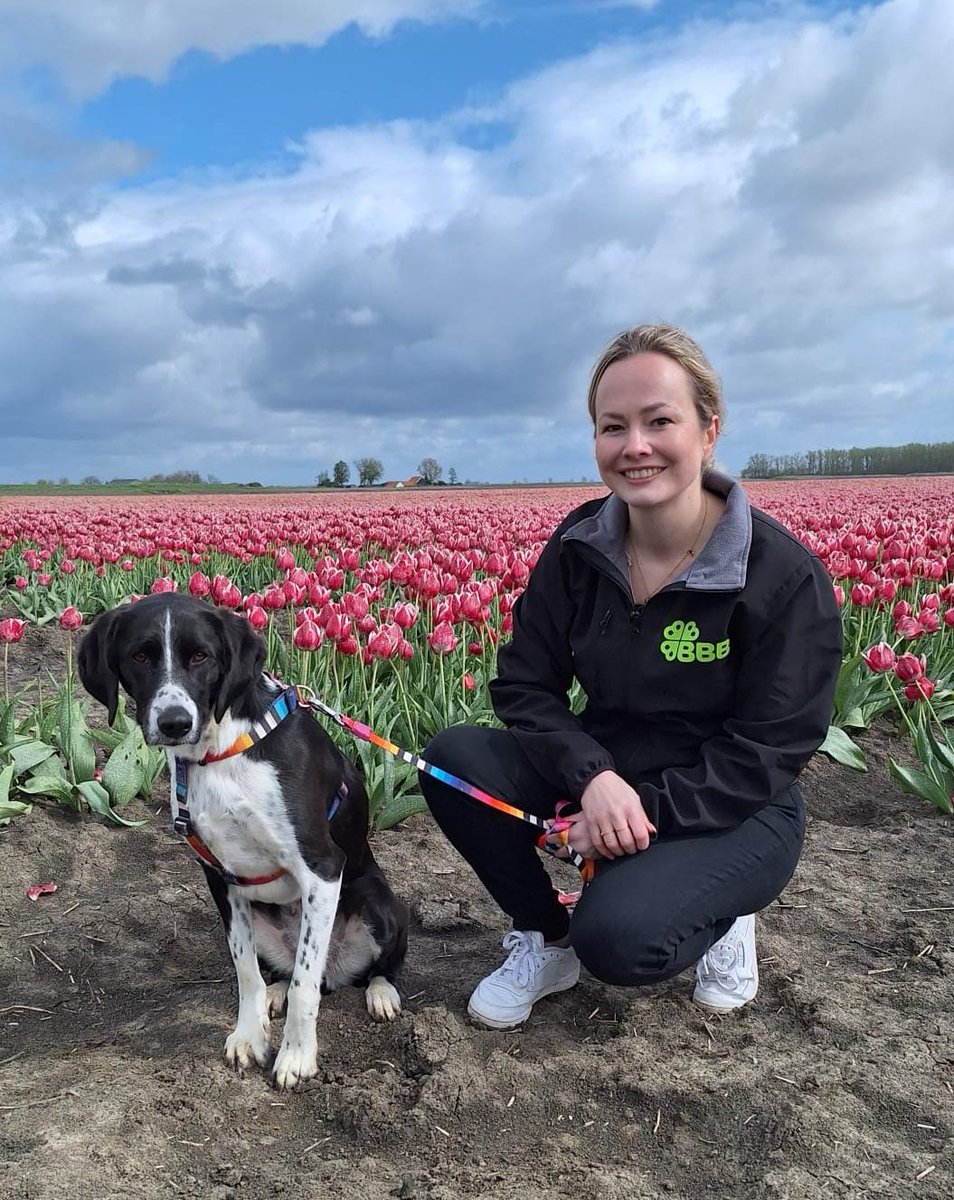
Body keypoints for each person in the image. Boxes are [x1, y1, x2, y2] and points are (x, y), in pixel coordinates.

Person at [419, 324, 843, 1030]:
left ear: (709, 431)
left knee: (619, 940)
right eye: (613, 426)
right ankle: (544, 938)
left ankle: (724, 914)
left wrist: (640, 811)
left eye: (659, 421)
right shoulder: (581, 547)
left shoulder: (780, 577)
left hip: (738, 804)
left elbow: (770, 750)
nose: (634, 446)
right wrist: (592, 778)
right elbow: (526, 683)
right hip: (608, 769)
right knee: (452, 762)